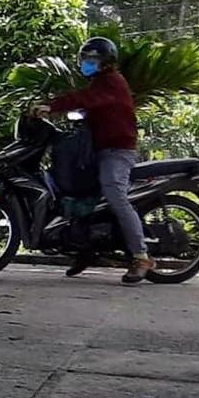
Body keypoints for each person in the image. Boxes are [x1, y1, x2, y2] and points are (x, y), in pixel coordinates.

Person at [40, 36, 151, 284]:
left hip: (117, 151)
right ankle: (85, 247)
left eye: (92, 60)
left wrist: (52, 106)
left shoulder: (111, 83)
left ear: (105, 63)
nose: (86, 64)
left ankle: (141, 255)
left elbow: (85, 100)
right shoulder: (99, 83)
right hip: (97, 150)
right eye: (85, 60)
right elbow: (85, 105)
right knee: (76, 190)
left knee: (114, 193)